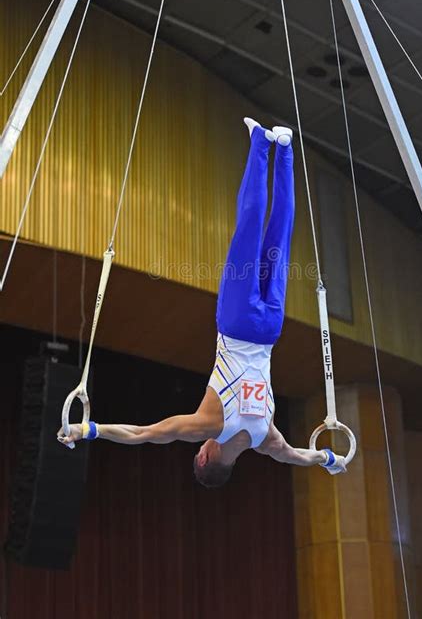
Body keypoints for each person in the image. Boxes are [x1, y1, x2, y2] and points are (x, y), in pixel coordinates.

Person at [58, 118, 346, 486]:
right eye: (199, 451)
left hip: (270, 328)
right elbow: (144, 433)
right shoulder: (211, 424)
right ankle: (260, 141)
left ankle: (285, 149)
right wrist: (89, 430)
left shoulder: (268, 441)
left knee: (279, 237)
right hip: (237, 321)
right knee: (248, 229)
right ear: (207, 456)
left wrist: (331, 459)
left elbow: (302, 457)